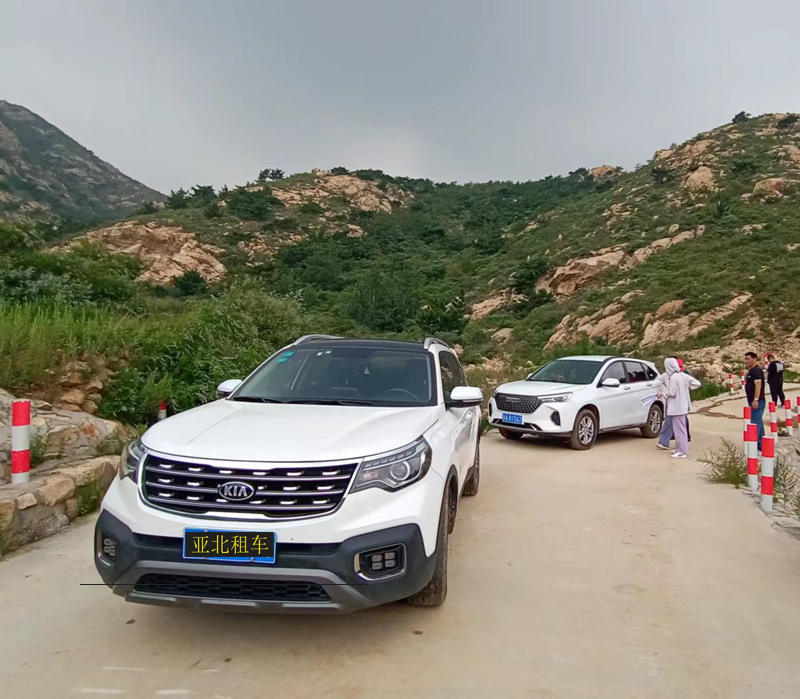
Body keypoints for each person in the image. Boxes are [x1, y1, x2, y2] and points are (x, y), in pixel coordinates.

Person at [663, 357, 701, 458]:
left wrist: (664, 393)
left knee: (679, 430)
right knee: (680, 429)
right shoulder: (683, 375)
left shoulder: (673, 377)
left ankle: (682, 451)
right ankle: (679, 448)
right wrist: (687, 388)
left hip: (676, 407)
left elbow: (672, 392)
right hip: (683, 406)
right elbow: (697, 383)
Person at [744, 351, 766, 451]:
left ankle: (757, 443)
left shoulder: (756, 371)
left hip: (757, 400)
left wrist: (756, 399)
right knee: (758, 421)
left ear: (754, 359)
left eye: (748, 359)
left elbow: (758, 385)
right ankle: (761, 442)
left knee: (756, 422)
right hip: (753, 400)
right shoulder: (751, 370)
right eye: (745, 359)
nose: (746, 361)